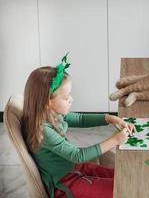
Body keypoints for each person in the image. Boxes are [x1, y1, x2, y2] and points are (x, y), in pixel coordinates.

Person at [22, 53, 135, 198]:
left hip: (73, 168)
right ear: (46, 102)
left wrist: (110, 118)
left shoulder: (50, 113)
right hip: (64, 184)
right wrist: (115, 140)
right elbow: (78, 155)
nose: (71, 99)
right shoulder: (43, 130)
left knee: (124, 179)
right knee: (123, 189)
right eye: (66, 97)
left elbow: (80, 119)